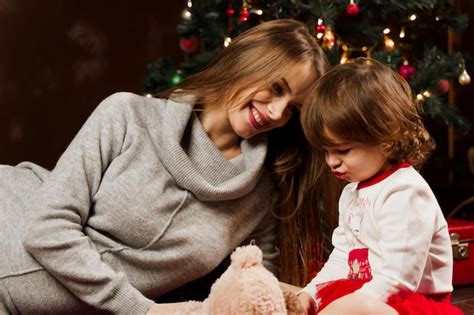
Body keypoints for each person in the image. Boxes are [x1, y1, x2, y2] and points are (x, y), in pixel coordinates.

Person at [0, 19, 335, 315]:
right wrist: (143, 310)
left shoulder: (259, 195)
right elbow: (46, 228)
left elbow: (253, 285)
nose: (277, 113)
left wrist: (301, 298)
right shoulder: (126, 115)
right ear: (247, 63)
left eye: (292, 108)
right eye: (276, 88)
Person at [297, 58, 462, 315]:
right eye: (325, 151)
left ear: (384, 139)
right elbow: (343, 256)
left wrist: (348, 306)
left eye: (342, 150)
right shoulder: (352, 191)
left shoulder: (405, 191)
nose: (331, 162)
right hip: (367, 291)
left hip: (410, 301)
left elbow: (398, 279)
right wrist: (311, 293)